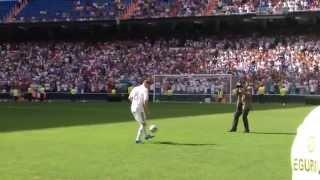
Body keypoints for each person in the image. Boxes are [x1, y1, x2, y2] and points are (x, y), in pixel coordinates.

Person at [128, 79, 154, 144]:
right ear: (146, 84)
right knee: (143, 124)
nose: (149, 87)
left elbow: (129, 98)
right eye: (149, 85)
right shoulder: (145, 90)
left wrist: (134, 104)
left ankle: (146, 136)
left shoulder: (135, 88)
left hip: (133, 108)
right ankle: (137, 140)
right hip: (139, 109)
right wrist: (147, 110)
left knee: (143, 123)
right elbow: (145, 101)